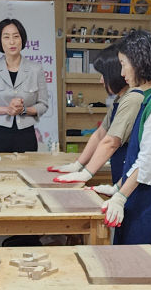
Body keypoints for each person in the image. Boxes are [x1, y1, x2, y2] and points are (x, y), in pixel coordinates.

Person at [99, 30, 151, 251]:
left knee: (148, 264)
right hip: (138, 195)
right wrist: (117, 188)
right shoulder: (146, 95)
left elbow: (147, 162)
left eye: (124, 64)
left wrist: (121, 196)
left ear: (139, 62)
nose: (122, 73)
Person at [48, 44, 144, 185]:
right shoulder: (120, 98)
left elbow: (111, 142)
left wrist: (86, 174)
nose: (100, 80)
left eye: (104, 75)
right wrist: (78, 165)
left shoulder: (133, 98)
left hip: (135, 174)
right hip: (122, 168)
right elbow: (100, 134)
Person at [0, 18, 48, 152]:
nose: (12, 42)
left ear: (22, 39)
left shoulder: (35, 69)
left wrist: (24, 110)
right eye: (6, 37)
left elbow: (43, 104)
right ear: (0, 41)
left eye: (16, 36)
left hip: (26, 135)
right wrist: (7, 110)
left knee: (26, 171)